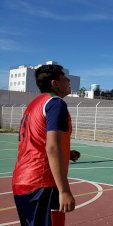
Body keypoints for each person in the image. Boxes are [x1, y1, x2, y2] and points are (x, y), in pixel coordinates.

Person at [12, 64, 76, 225]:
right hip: (41, 183)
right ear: (55, 84)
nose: (69, 81)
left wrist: (67, 153)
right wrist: (64, 190)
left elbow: (36, 142)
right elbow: (52, 147)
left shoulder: (34, 104)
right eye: (65, 77)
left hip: (22, 180)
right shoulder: (56, 104)